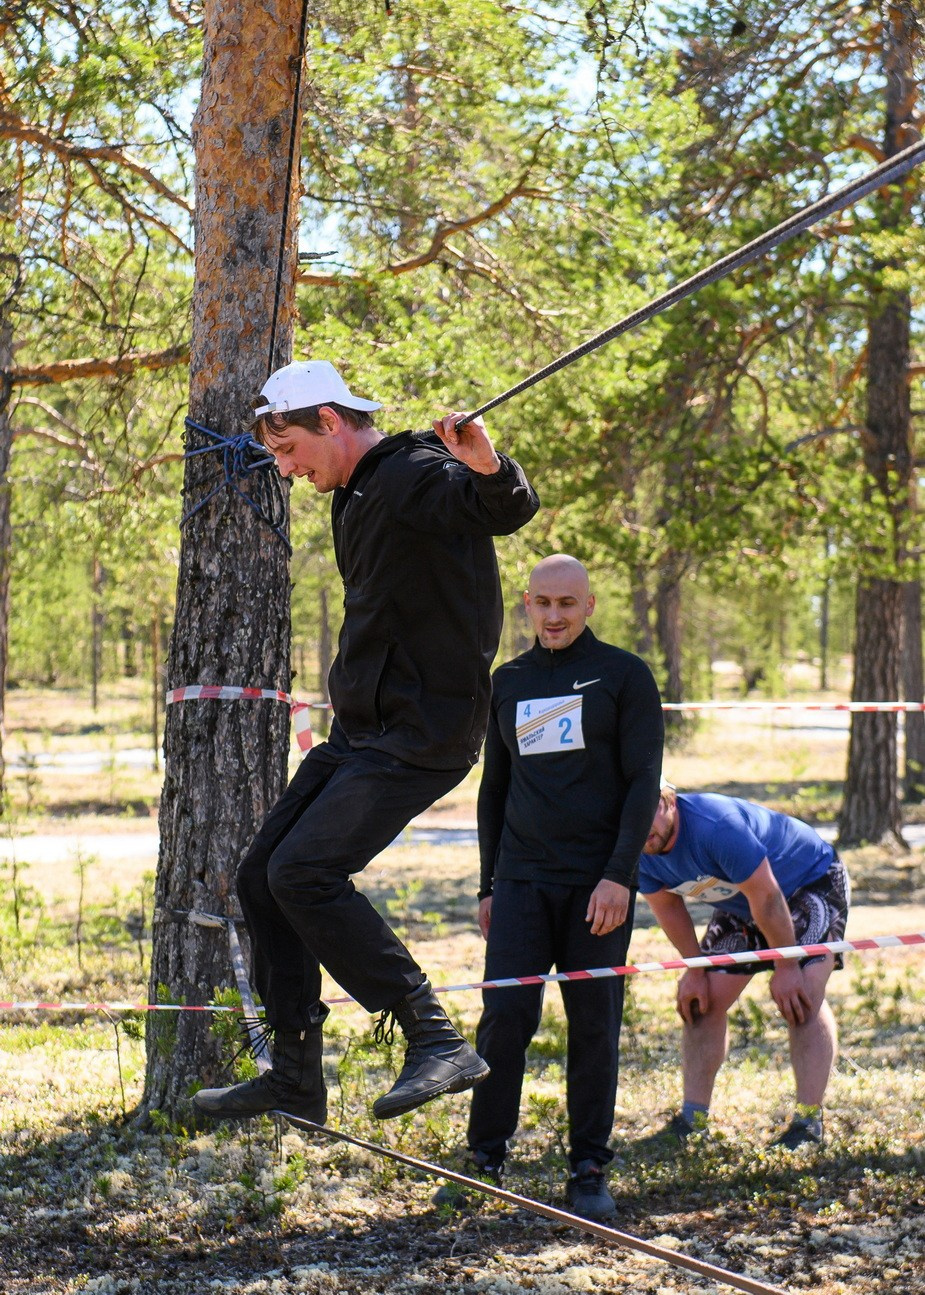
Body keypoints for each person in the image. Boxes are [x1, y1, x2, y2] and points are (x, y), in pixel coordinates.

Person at [193, 359, 539, 1126]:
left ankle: (433, 1034)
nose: (284, 469)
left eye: (287, 450)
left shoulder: (416, 471)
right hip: (361, 731)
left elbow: (498, 507)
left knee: (306, 871)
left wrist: (486, 464)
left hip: (422, 731)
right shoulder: (353, 495)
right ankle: (293, 1077)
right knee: (263, 878)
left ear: (329, 420)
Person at [448, 554, 663, 1220]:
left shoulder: (625, 676)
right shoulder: (507, 680)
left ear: (589, 605)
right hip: (519, 883)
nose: (554, 615)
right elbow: (495, 789)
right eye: (542, 602)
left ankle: (589, 1166)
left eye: (566, 603)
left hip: (594, 889)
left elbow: (641, 786)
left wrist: (617, 877)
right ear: (526, 604)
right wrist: (488, 884)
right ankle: (485, 1158)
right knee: (504, 1020)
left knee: (592, 1026)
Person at [639, 786, 850, 1149]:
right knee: (701, 1004)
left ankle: (807, 1124)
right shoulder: (637, 848)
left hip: (806, 881)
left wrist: (786, 966)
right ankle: (693, 1120)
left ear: (668, 802)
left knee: (802, 998)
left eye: (646, 818)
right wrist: (695, 968)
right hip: (743, 903)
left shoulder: (715, 825)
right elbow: (668, 908)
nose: (643, 833)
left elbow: (768, 897)